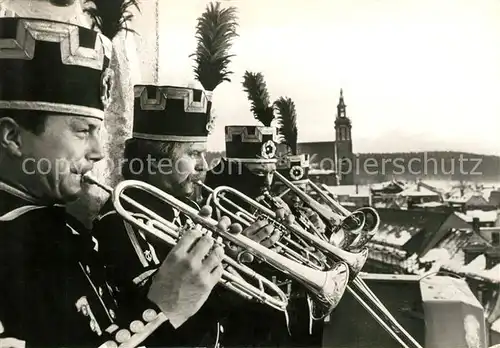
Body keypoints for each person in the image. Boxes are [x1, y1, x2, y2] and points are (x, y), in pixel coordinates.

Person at [0, 9, 234, 348]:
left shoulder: (61, 229)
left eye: (99, 132)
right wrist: (163, 308)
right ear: (12, 137)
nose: (98, 152)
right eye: (83, 131)